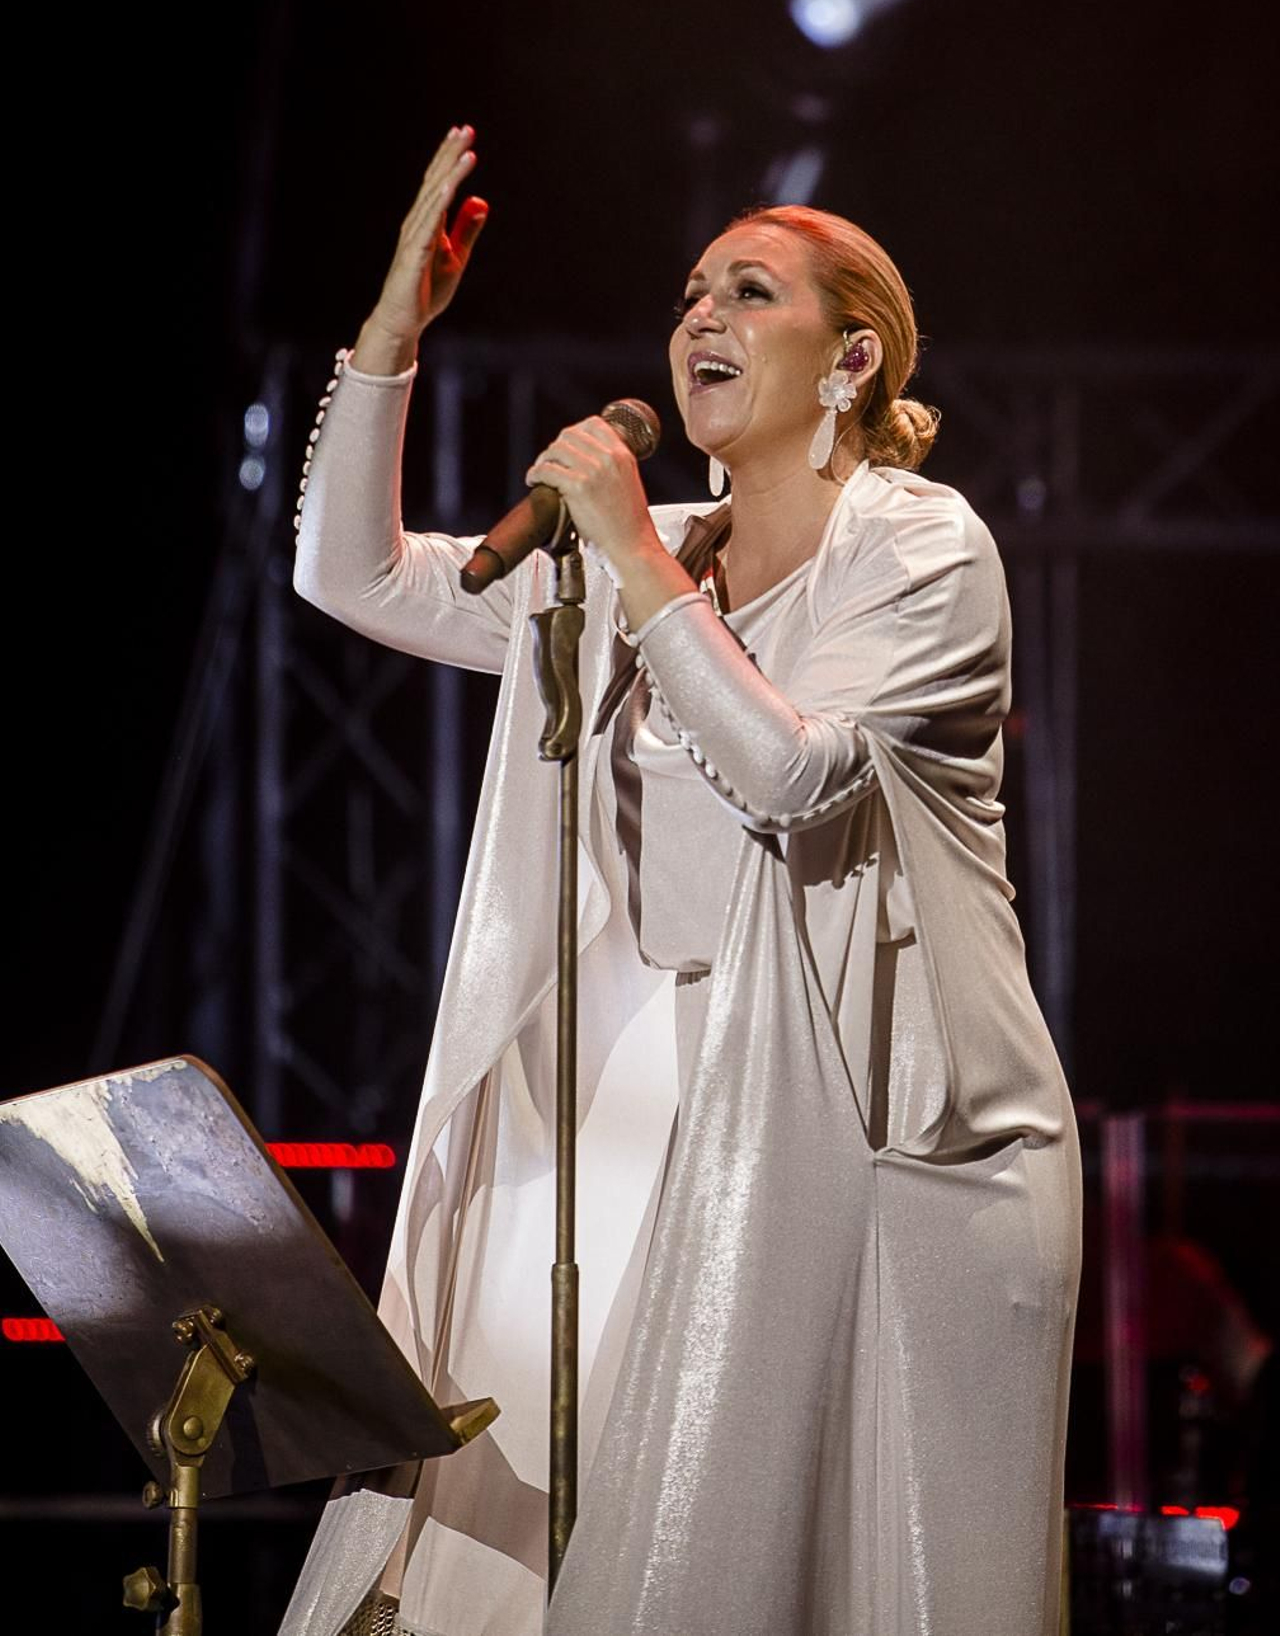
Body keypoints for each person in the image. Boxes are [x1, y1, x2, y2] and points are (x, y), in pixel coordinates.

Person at [277, 126, 1082, 1636]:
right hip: (628, 1111)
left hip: (866, 1130)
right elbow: (354, 577)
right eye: (692, 291)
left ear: (852, 361)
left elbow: (798, 778)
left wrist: (636, 558)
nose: (699, 314)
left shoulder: (919, 550)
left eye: (750, 293)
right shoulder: (636, 566)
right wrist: (396, 330)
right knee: (502, 1533)